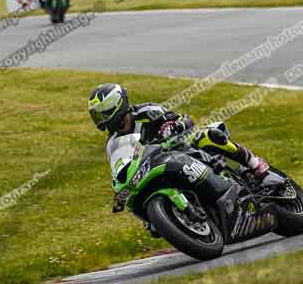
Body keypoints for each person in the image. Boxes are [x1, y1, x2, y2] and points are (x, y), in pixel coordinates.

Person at [88, 83, 270, 216]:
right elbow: (119, 165)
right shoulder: (113, 142)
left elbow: (186, 120)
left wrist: (174, 126)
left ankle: (255, 164)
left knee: (209, 136)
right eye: (96, 115)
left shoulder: (147, 111)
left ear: (115, 106)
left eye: (101, 113)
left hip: (182, 147)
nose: (99, 120)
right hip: (156, 167)